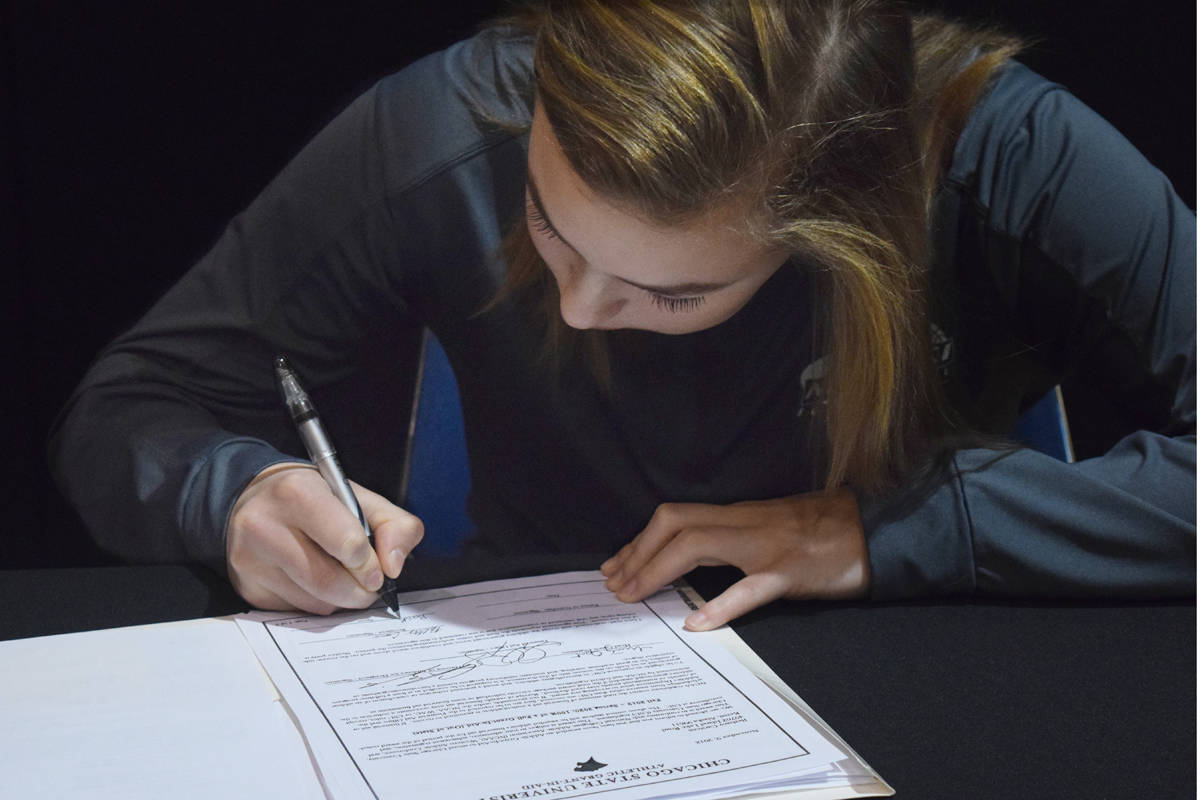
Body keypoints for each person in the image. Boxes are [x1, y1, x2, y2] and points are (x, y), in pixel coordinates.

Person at [49, 0, 1195, 627]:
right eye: (549, 219)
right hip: (540, 658)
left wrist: (897, 526)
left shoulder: (1005, 154)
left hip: (913, 652)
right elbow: (131, 406)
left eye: (674, 290)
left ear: (841, 227)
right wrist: (235, 490)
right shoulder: (443, 128)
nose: (584, 305)